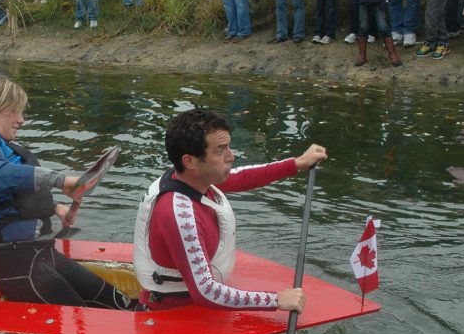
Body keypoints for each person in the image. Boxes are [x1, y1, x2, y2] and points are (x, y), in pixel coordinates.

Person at [0, 75, 139, 311]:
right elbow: (2, 177)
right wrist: (63, 181)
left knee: (123, 305)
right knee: (82, 320)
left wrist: (55, 207)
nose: (22, 120)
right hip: (14, 262)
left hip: (40, 254)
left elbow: (15, 195)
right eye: (16, 111)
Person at [133, 108, 326, 313]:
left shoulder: (191, 177)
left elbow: (242, 177)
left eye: (228, 147)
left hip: (195, 306)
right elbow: (205, 291)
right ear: (190, 161)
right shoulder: (178, 214)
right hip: (174, 317)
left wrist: (297, 164)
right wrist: (276, 300)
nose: (231, 157)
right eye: (220, 151)